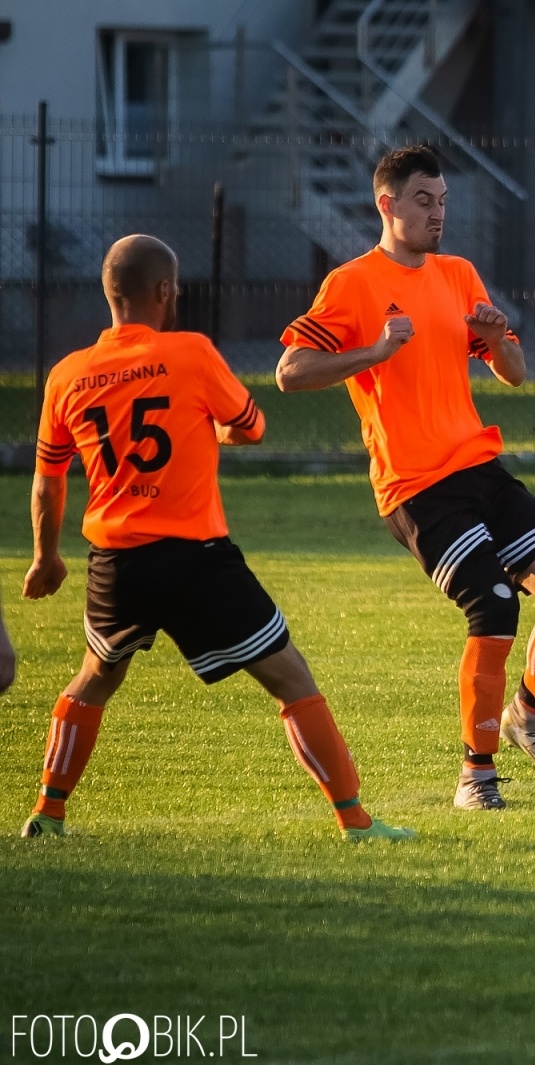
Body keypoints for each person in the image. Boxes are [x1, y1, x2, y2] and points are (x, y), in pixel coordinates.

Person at [20, 234, 413, 842]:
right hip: (195, 557)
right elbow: (250, 428)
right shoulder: (191, 353)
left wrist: (46, 558)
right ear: (165, 291)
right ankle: (356, 821)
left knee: (95, 676)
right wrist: (211, 432)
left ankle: (47, 812)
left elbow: (48, 480)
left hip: (116, 561)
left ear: (110, 294)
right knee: (291, 678)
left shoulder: (67, 375)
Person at [276, 145, 535, 811]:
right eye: (424, 201)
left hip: (477, 466)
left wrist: (497, 339)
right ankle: (476, 776)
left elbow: (513, 374)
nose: (437, 213)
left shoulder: (458, 274)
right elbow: (290, 372)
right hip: (415, 486)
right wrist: (375, 351)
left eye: (443, 202)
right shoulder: (352, 283)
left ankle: (528, 719)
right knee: (495, 606)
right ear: (386, 204)